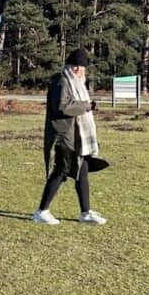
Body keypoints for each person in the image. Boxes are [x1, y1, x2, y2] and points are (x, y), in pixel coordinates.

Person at [32, 48, 109, 225]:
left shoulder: (75, 82)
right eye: (83, 69)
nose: (84, 73)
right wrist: (86, 106)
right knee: (60, 171)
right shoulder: (61, 82)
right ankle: (41, 211)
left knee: (82, 173)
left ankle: (85, 213)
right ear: (76, 68)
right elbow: (62, 107)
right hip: (63, 136)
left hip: (77, 136)